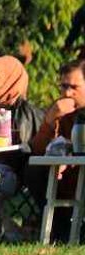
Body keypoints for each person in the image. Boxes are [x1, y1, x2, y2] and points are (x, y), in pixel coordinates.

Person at [27, 59, 85, 238]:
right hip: (65, 180)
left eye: (74, 87)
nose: (68, 93)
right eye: (64, 86)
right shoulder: (60, 112)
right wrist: (50, 121)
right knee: (33, 171)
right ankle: (57, 231)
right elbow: (37, 150)